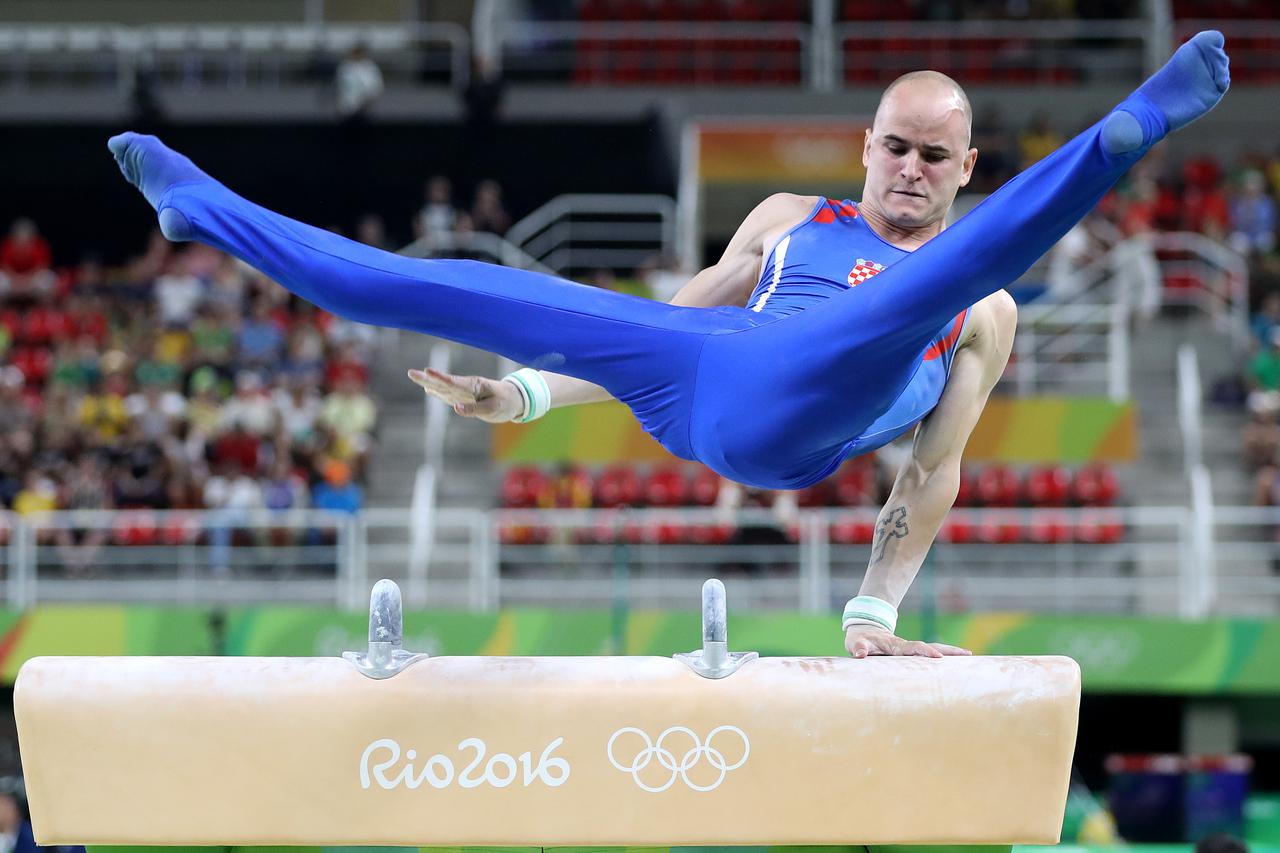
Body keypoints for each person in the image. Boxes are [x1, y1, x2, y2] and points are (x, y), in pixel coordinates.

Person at [108, 32, 1230, 658]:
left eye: (935, 158)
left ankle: (1113, 138)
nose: (909, 170)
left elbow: (929, 476)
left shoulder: (983, 312)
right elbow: (672, 323)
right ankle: (202, 210)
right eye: (895, 147)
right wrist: (529, 402)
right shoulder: (787, 217)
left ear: (965, 166)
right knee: (460, 285)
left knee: (942, 281)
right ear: (864, 145)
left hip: (799, 418)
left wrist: (871, 612)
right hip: (699, 375)